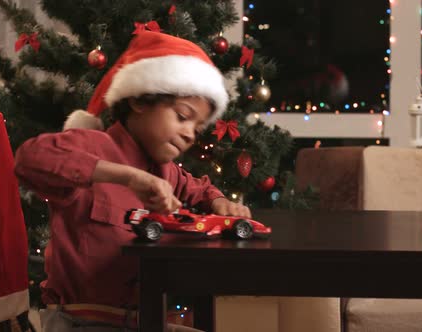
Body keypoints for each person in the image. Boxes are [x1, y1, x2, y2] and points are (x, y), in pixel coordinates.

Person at [14, 31, 250, 332]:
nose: (190, 133)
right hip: (81, 321)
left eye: (198, 127)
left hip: (142, 319)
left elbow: (200, 188)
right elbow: (29, 158)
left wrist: (219, 201)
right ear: (139, 100)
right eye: (182, 116)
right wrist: (129, 177)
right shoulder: (91, 145)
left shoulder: (165, 169)